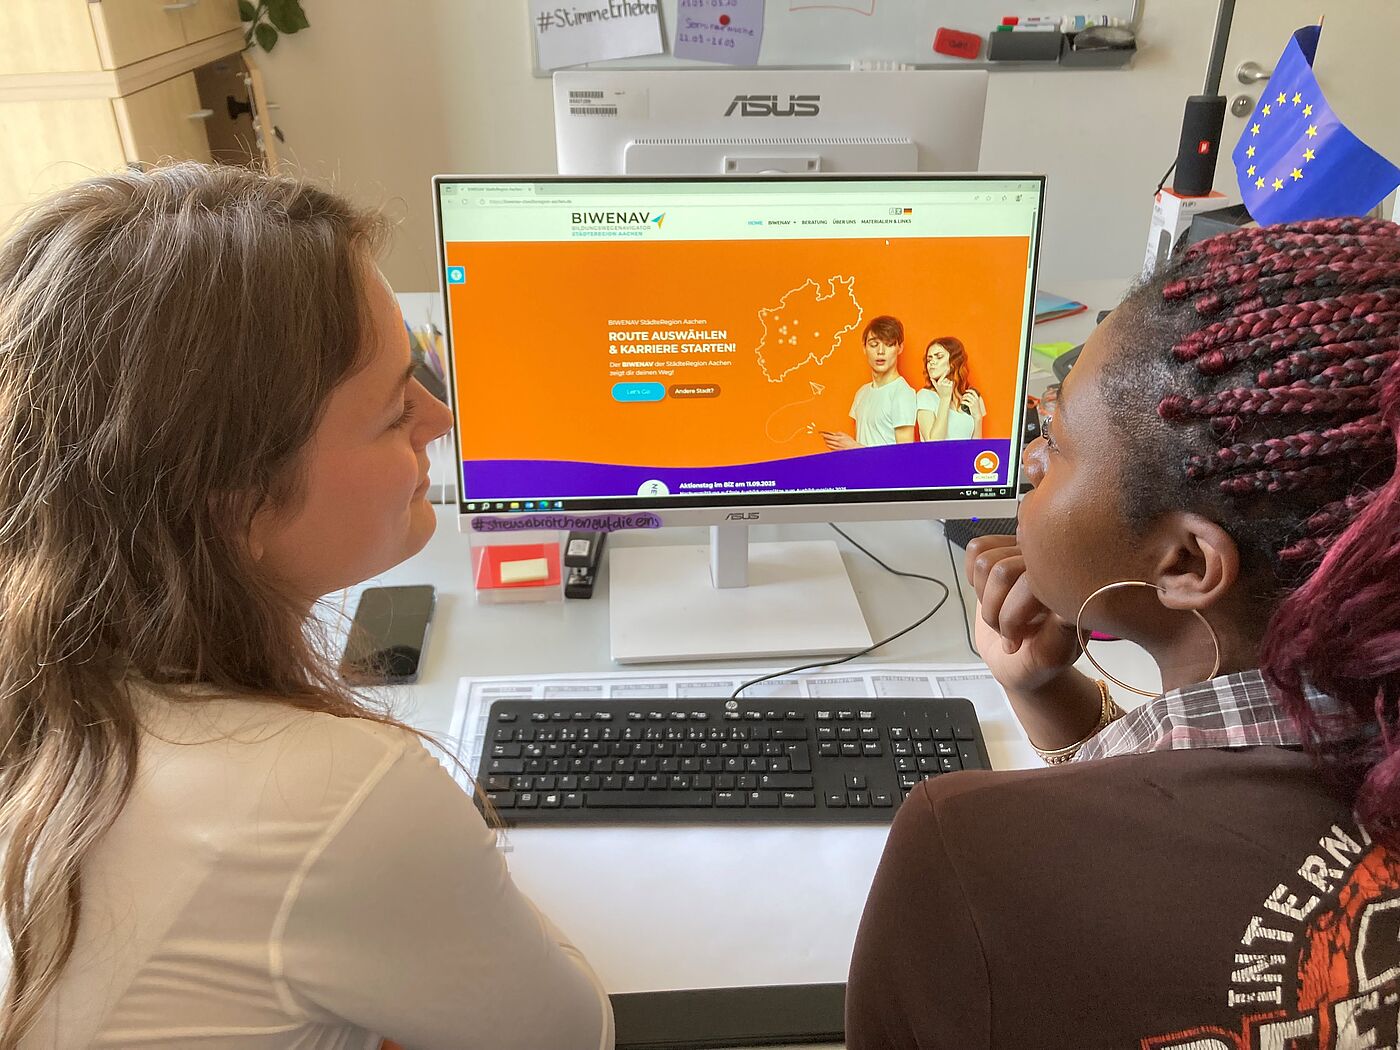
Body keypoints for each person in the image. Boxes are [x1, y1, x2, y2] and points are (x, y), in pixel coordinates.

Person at [0, 164, 613, 1049]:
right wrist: (440, 877)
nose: (439, 421)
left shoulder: (59, 695)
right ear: (241, 499)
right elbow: (573, 1036)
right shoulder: (331, 796)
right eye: (396, 409)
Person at [846, 218, 1400, 1048]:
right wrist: (1053, 703)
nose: (1028, 463)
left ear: (1183, 564)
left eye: (1055, 442)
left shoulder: (973, 851)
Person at [821, 315, 916, 449]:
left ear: (899, 348)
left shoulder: (902, 393)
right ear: (864, 348)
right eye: (873, 344)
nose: (880, 351)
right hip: (860, 470)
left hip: (887, 471)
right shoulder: (861, 393)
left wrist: (853, 448)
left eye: (888, 344)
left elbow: (904, 457)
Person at [915, 336, 985, 440]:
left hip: (966, 457)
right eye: (929, 359)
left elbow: (977, 450)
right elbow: (933, 444)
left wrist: (978, 418)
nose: (932, 362)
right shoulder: (925, 396)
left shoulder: (972, 398)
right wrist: (944, 398)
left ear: (954, 361)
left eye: (939, 357)